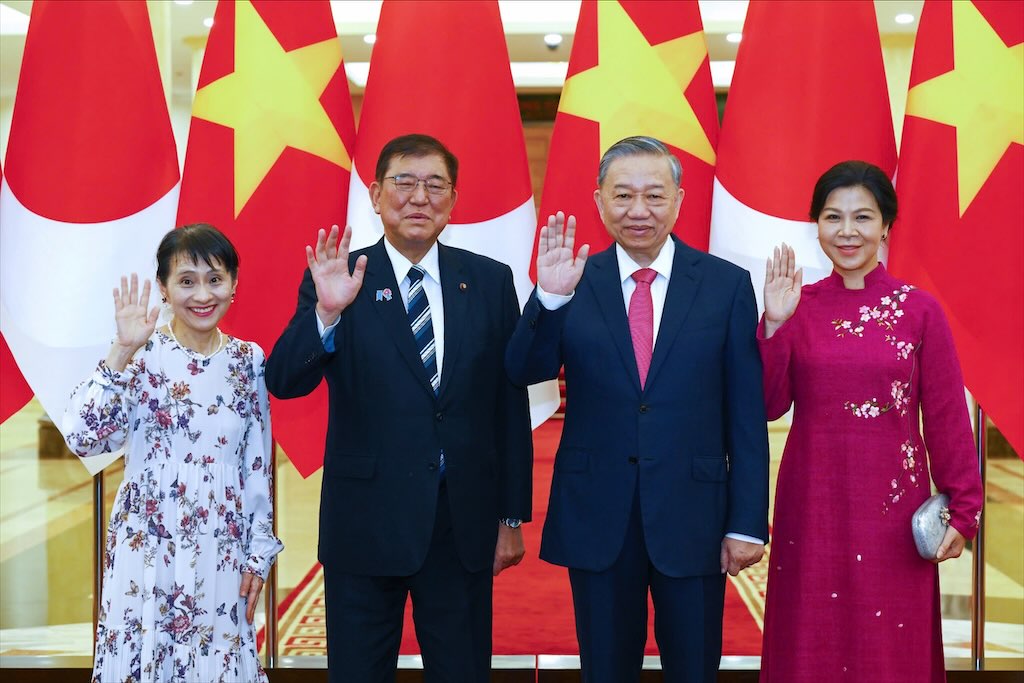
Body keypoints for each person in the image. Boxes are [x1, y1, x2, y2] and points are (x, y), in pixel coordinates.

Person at [265, 133, 532, 682]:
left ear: (453, 200)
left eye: (435, 185)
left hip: (461, 524)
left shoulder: (488, 280)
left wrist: (510, 516)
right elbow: (285, 379)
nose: (419, 197)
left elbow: (508, 406)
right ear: (375, 193)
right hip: (365, 522)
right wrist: (327, 314)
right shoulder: (340, 275)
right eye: (403, 183)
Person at [505, 136, 769, 683]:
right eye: (623, 195)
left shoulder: (726, 286)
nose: (638, 210)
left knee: (694, 668)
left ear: (679, 199)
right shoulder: (572, 280)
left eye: (654, 195)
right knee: (605, 669)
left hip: (694, 513)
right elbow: (522, 370)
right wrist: (548, 300)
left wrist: (746, 521)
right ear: (599, 201)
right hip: (598, 512)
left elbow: (745, 415)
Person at [757, 160, 984, 682]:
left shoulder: (919, 309)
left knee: (889, 639)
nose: (847, 232)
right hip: (813, 500)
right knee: (810, 626)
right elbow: (768, 405)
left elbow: (947, 416)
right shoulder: (797, 305)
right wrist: (773, 324)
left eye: (863, 217)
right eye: (833, 218)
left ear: (885, 226)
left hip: (893, 508)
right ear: (815, 225)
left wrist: (964, 511)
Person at [63, 224, 283, 683]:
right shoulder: (142, 356)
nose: (202, 294)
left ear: (234, 284)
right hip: (148, 542)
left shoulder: (249, 360)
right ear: (162, 288)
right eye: (186, 281)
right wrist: (121, 352)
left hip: (220, 547)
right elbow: (83, 437)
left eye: (214, 279)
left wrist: (256, 556)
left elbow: (256, 467)